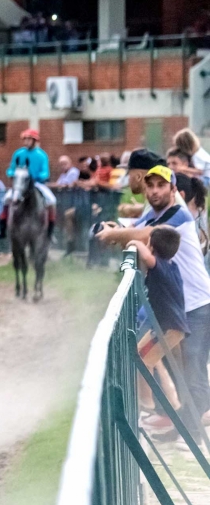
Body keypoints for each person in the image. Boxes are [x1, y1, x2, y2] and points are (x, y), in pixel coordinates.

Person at [98, 166, 210, 430]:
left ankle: (188, 428)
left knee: (192, 370)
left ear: (173, 190)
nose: (155, 191)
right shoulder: (154, 213)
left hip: (196, 304)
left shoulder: (179, 215)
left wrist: (114, 235)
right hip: (178, 304)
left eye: (161, 185)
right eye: (151, 186)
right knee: (179, 367)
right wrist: (115, 228)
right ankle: (179, 421)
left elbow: (144, 235)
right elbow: (136, 227)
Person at [130, 228, 189, 418]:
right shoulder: (171, 266)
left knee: (143, 360)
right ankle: (172, 401)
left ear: (152, 246)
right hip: (167, 326)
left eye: (148, 243)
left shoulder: (161, 266)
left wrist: (135, 243)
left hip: (169, 327)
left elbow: (147, 258)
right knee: (139, 352)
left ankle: (147, 404)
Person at [0, 129, 57, 240]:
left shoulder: (42, 155)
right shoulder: (18, 153)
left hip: (37, 183)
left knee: (52, 200)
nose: (26, 142)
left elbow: (45, 172)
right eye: (25, 139)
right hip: (20, 183)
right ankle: (2, 229)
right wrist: (12, 173)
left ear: (34, 141)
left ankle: (50, 232)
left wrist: (35, 176)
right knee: (5, 199)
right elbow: (11, 168)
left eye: (29, 139)